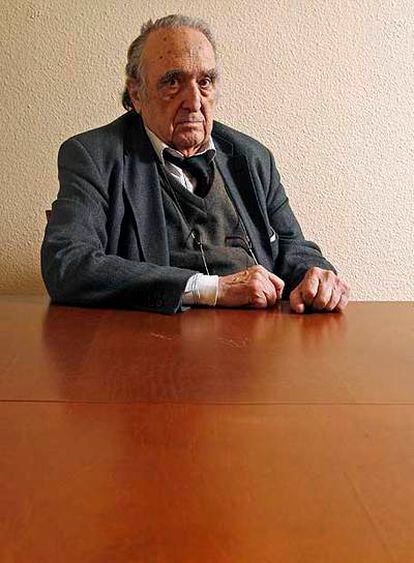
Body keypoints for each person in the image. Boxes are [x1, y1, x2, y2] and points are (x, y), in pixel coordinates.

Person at [41, 14, 350, 314]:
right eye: (173, 82)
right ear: (136, 93)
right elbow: (67, 263)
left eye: (205, 81)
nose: (194, 101)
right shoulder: (94, 155)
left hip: (258, 337)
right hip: (154, 336)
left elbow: (292, 247)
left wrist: (316, 275)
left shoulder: (252, 158)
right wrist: (211, 289)